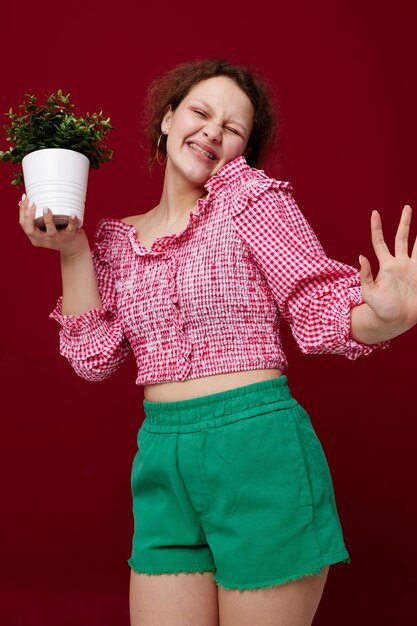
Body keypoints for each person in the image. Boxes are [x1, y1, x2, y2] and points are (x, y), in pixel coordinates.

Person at [18, 58, 417, 626]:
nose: (212, 131)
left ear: (243, 151)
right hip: (162, 461)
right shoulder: (113, 241)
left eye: (233, 129)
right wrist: (74, 252)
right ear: (167, 118)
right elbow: (93, 357)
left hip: (258, 449)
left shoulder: (249, 201)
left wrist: (388, 320)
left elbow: (314, 305)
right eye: (201, 113)